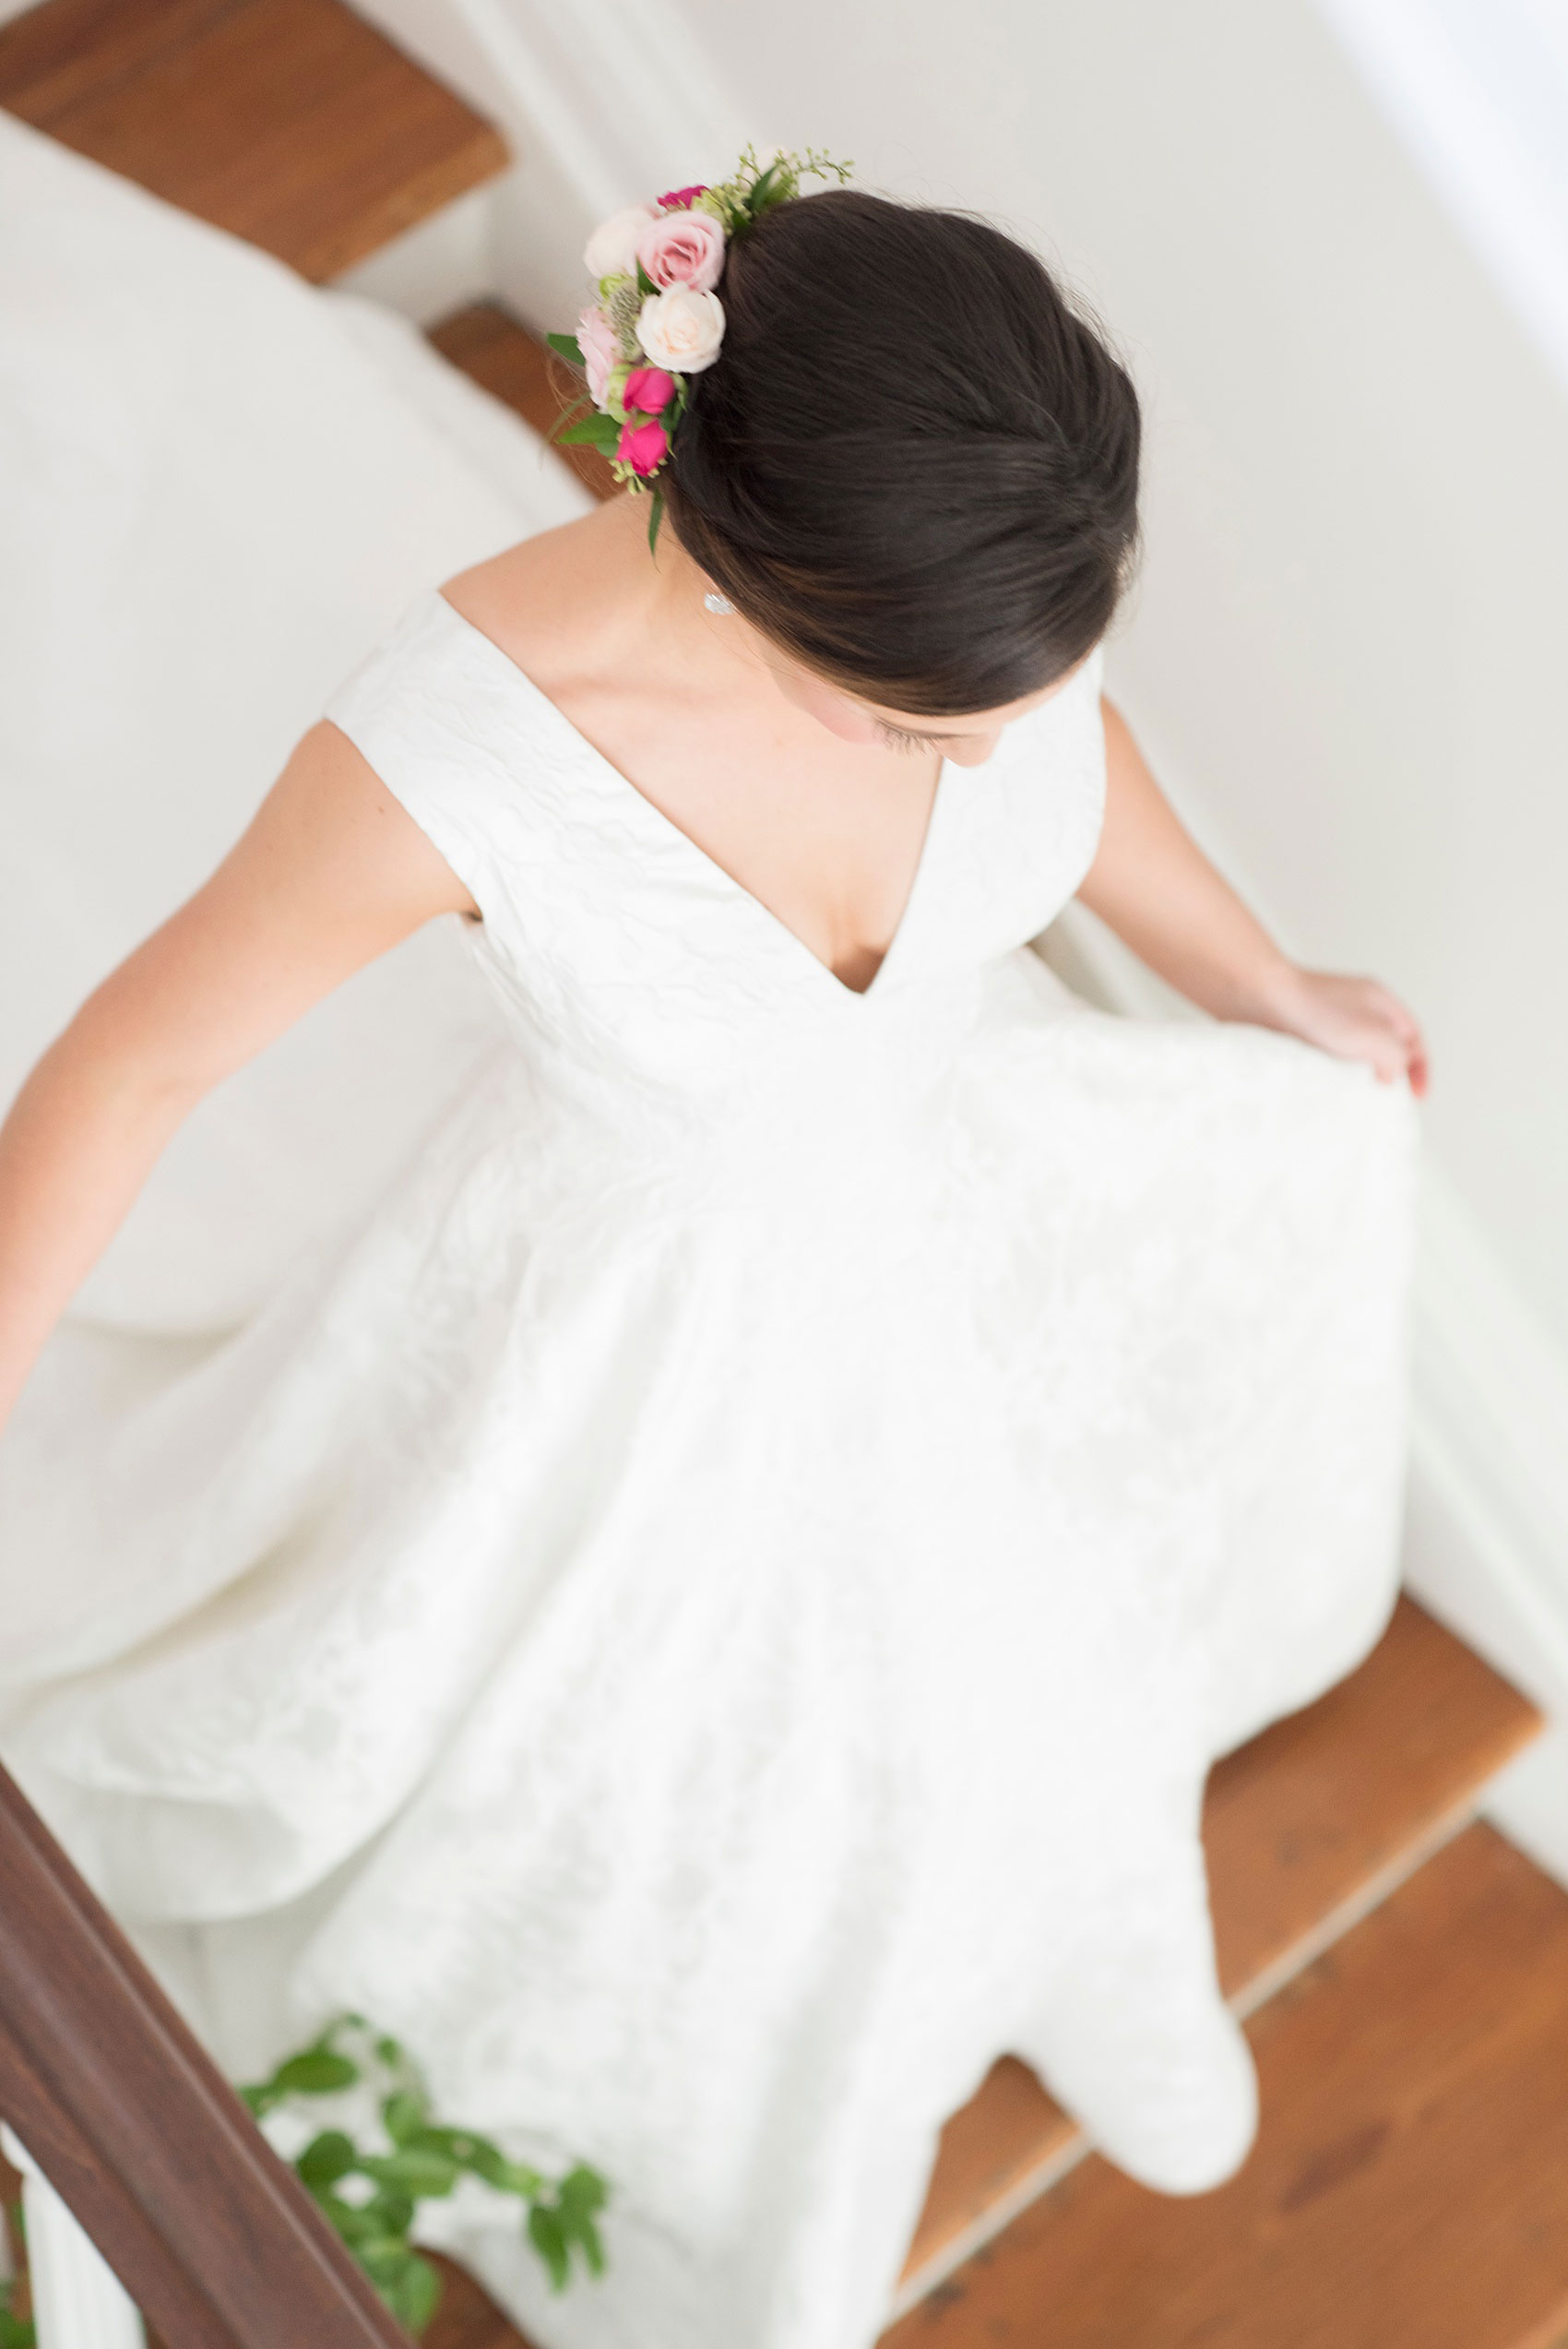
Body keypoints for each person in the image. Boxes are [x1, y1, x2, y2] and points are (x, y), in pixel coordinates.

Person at [0, 171, 1421, 2349]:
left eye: (1008, 708)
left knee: (984, 1620)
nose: (987, 757)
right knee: (664, 1744)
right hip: (616, 1329)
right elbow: (123, 1076)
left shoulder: (982, 600)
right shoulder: (459, 753)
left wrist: (1261, 978)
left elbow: (1074, 739)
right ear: (751, 584)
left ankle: (1068, 1936)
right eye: (925, 728)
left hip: (929, 1219)